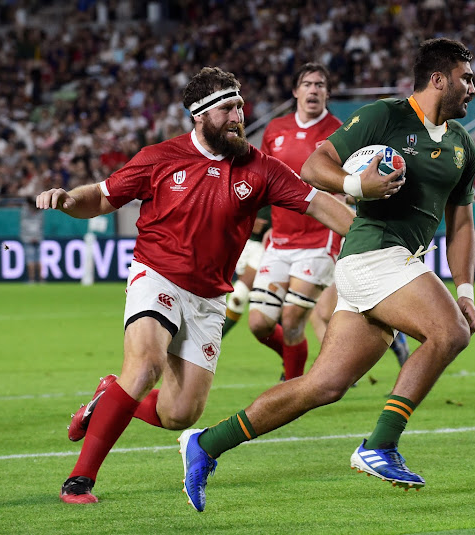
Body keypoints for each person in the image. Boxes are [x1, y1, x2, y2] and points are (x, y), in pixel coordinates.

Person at [36, 67, 396, 504]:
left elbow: (320, 204)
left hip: (209, 297)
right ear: (199, 115)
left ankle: (106, 399)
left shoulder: (260, 168)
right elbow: (101, 196)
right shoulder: (161, 157)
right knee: (145, 364)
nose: (238, 116)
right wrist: (68, 200)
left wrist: (380, 243)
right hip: (157, 274)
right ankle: (80, 480)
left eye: (240, 106)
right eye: (227, 108)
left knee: (179, 414)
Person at [179, 37, 475, 512]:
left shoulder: (463, 146)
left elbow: (461, 224)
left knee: (323, 386)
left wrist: (465, 289)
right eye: (466, 78)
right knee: (449, 333)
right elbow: (315, 165)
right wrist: (358, 184)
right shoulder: (385, 116)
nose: (474, 89)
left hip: (391, 265)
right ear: (439, 79)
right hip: (374, 252)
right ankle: (379, 446)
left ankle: (206, 444)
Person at [245, 62, 343, 381]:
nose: (313, 90)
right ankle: (295, 363)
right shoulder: (275, 129)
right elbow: (261, 179)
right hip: (281, 238)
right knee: (259, 322)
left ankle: (294, 384)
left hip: (320, 238)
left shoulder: (340, 131)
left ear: (327, 93)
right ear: (295, 92)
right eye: (307, 84)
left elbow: (351, 178)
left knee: (292, 318)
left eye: (320, 85)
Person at [221, 205, 271, 337]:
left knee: (239, 296)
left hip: (267, 246)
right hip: (244, 242)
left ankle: (209, 345)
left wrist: (275, 228)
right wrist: (248, 219)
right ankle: (290, 353)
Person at [19, 196, 44, 283]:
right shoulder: (39, 213)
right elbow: (40, 226)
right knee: (38, 260)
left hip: (28, 239)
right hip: (37, 238)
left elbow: (25, 226)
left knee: (31, 260)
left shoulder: (25, 212)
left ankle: (32, 280)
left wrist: (31, 237)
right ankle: (40, 280)